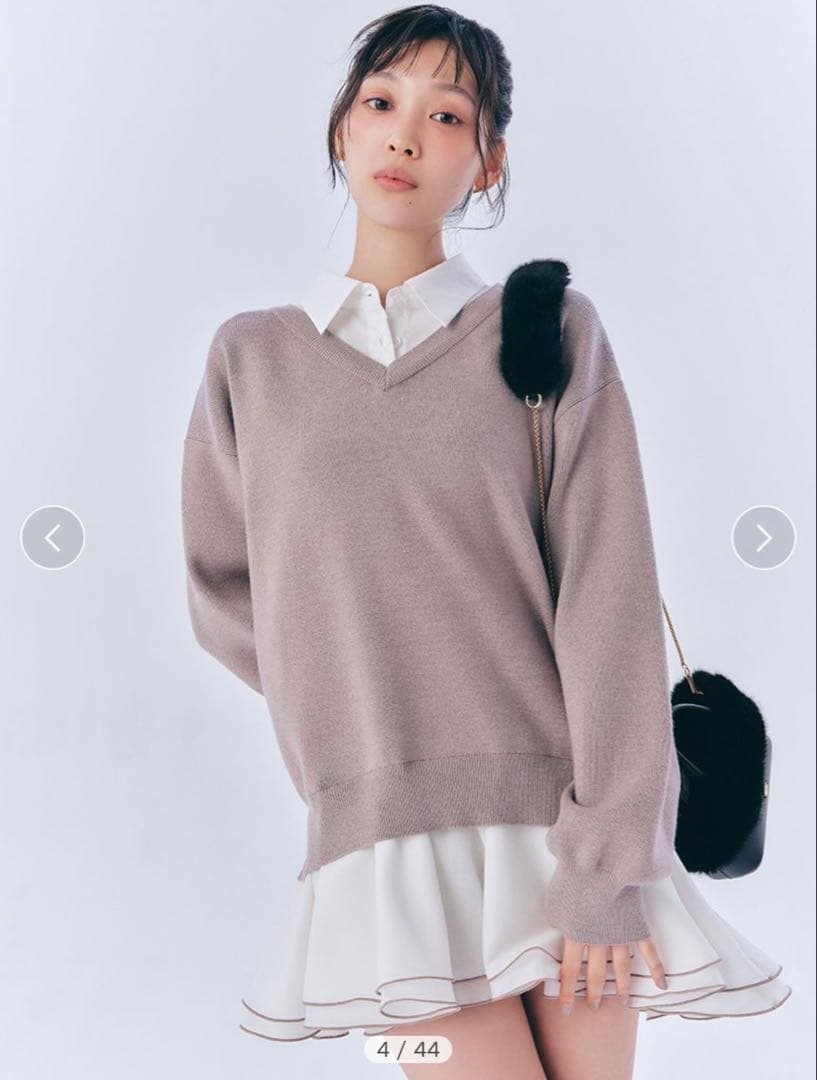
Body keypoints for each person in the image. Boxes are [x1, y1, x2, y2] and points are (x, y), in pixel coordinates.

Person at [180, 6, 791, 1077]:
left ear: (487, 160)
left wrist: (605, 864)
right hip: (378, 856)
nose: (405, 133)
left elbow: (605, 591)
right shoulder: (252, 362)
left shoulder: (547, 332)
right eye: (381, 101)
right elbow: (227, 593)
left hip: (570, 835)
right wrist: (358, 711)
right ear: (342, 130)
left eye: (446, 114)